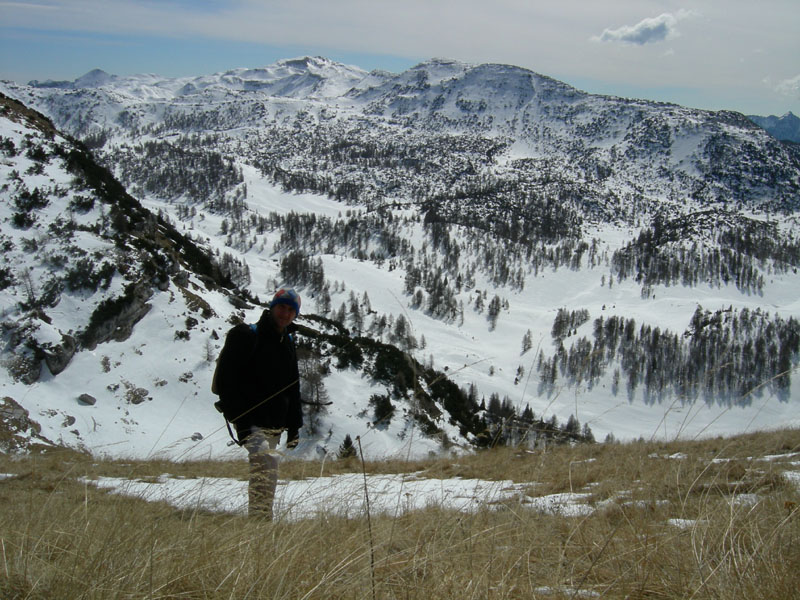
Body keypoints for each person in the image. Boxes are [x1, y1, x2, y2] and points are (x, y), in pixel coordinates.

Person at [218, 287, 303, 519]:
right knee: (266, 463)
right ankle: (260, 520)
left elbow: (292, 387)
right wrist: (241, 422)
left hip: (275, 422)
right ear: (272, 307)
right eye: (281, 307)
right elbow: (225, 382)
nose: (285, 313)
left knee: (268, 470)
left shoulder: (287, 341)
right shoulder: (246, 335)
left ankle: (262, 518)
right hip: (250, 420)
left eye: (290, 310)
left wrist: (295, 425)